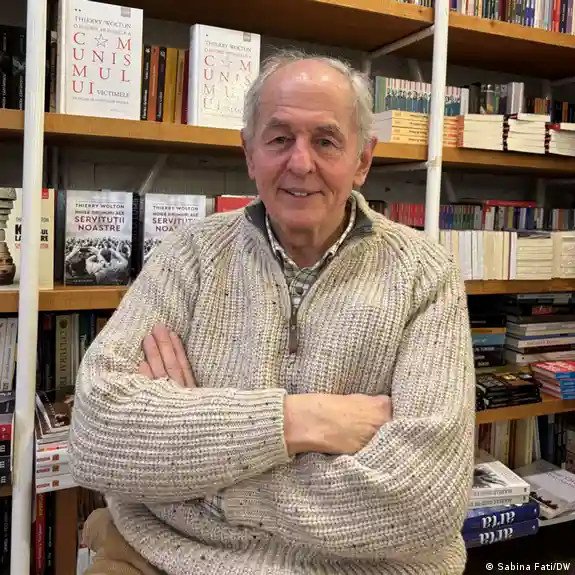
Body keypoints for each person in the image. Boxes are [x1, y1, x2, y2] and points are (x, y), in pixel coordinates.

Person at [69, 49, 476, 575]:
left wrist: (196, 470)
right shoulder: (187, 255)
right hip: (173, 556)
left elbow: (426, 499)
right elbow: (96, 436)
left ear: (363, 160)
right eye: (279, 138)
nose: (300, 163)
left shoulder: (426, 272)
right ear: (249, 153)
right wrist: (302, 420)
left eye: (326, 141)